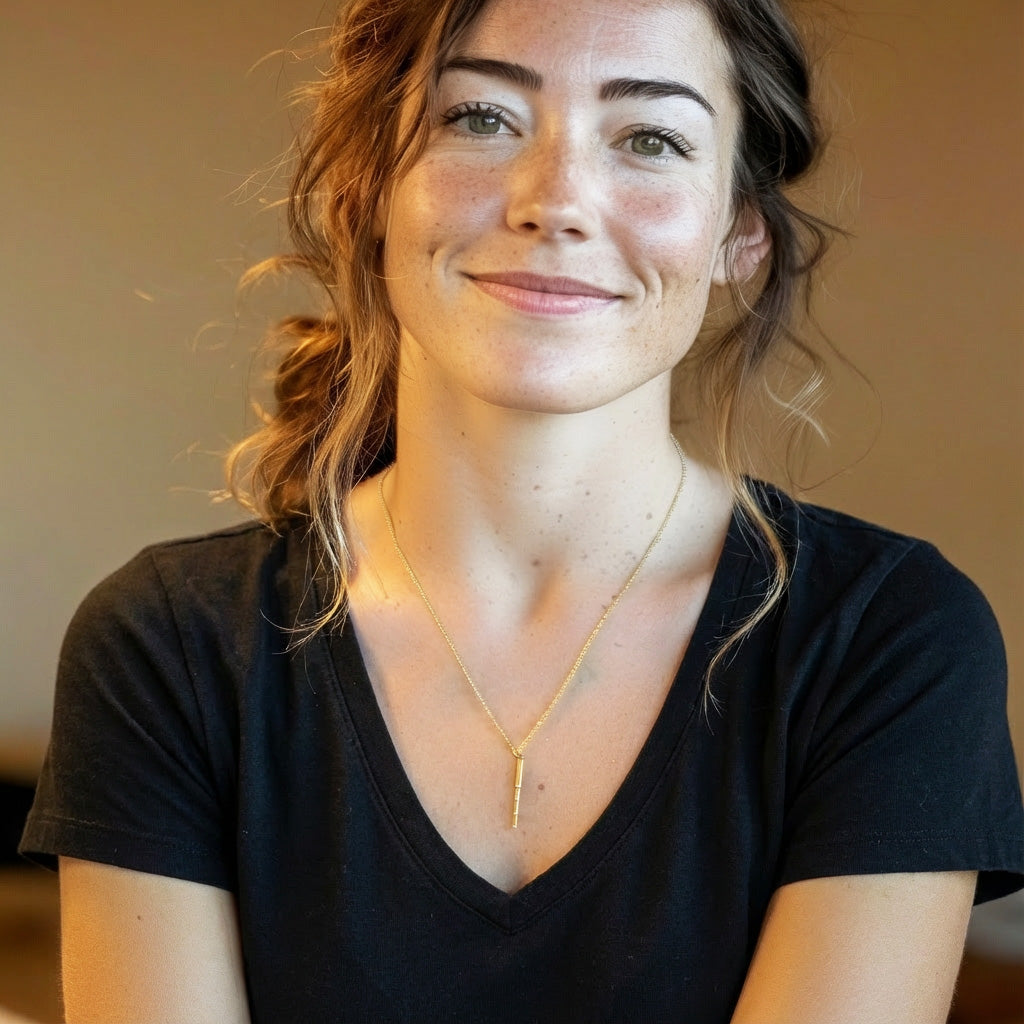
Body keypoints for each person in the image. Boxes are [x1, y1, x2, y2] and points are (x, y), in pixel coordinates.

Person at [20, 0, 1024, 1020]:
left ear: (739, 233)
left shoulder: (889, 639)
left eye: (648, 138)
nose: (555, 200)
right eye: (481, 118)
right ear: (369, 188)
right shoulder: (167, 645)